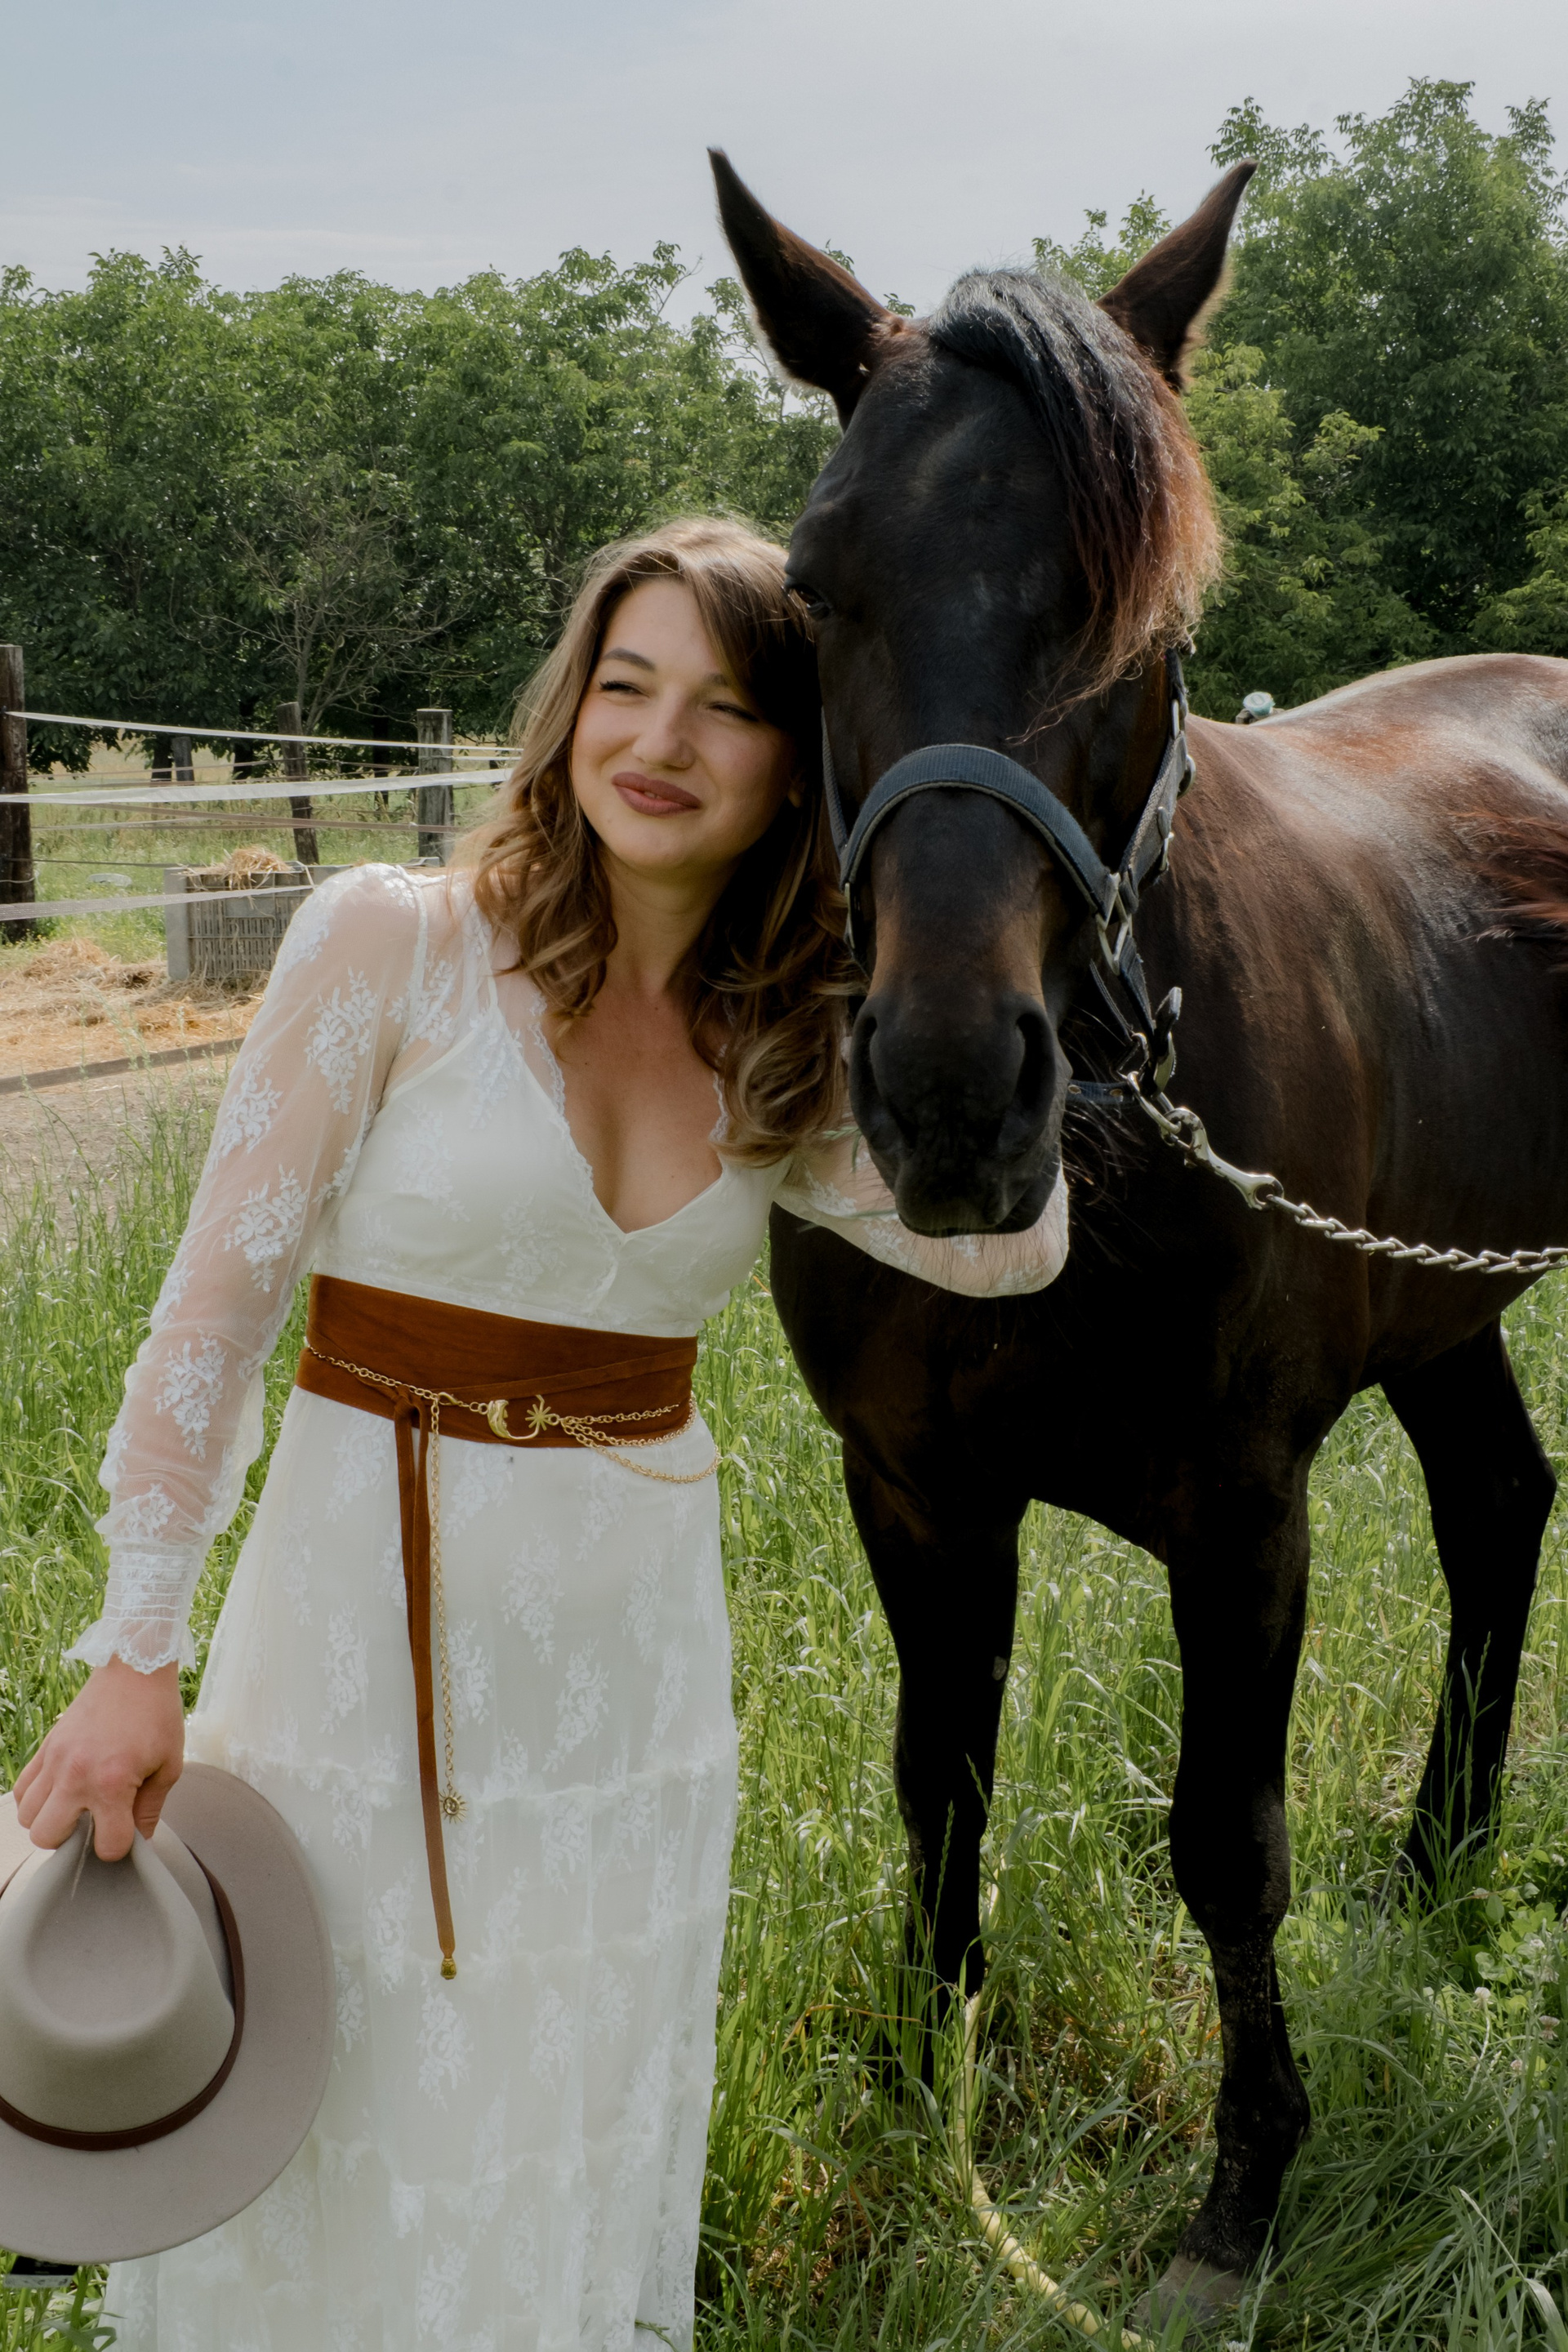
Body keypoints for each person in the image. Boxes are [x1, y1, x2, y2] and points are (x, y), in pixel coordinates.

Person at [13, 518, 1068, 2351]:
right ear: (570, 709)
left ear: (797, 762)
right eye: (624, 685)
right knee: (344, 2079)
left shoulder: (781, 1045)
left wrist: (1017, 972)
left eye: (724, 708)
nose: (657, 742)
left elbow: (1004, 1249)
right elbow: (211, 1323)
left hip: (622, 1680)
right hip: (358, 1639)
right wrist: (135, 1650)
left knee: (558, 2089)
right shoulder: (397, 944)